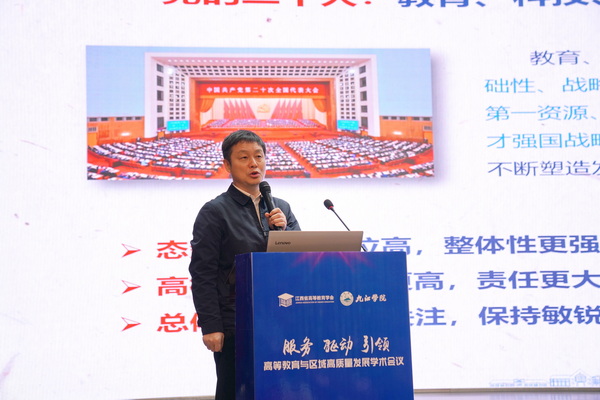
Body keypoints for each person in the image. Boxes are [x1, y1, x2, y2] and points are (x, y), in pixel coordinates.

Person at [189, 129, 301, 400]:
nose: (254, 164)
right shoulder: (215, 211)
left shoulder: (281, 208)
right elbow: (202, 273)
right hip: (235, 322)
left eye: (259, 156)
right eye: (244, 157)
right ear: (227, 165)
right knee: (236, 391)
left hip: (280, 318)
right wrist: (211, 325)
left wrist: (283, 231)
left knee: (280, 390)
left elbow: (300, 260)